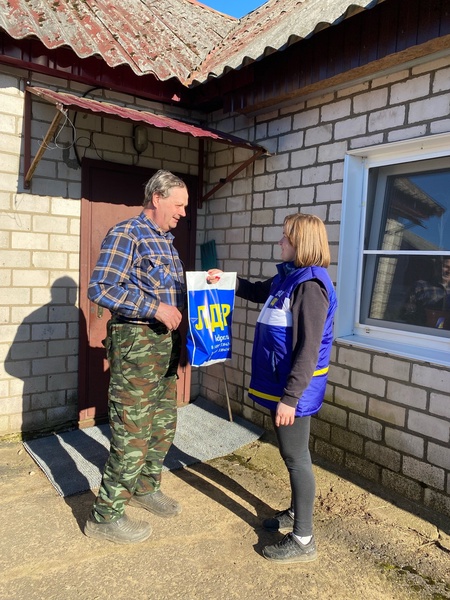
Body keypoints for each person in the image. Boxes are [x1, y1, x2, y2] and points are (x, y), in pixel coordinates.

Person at [208, 213, 337, 564]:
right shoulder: (288, 278)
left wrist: (290, 399)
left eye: (285, 238)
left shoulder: (310, 288)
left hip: (293, 391)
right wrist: (226, 280)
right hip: (283, 387)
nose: (279, 242)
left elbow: (309, 350)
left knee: (296, 459)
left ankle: (304, 539)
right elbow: (253, 291)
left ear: (302, 244)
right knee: (291, 455)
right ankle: (296, 515)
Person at [84, 169, 188, 544]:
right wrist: (153, 308)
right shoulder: (127, 234)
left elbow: (171, 292)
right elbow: (100, 287)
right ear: (157, 198)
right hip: (138, 346)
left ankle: (146, 488)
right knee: (133, 432)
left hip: (165, 349)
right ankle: (105, 516)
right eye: (179, 205)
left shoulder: (166, 242)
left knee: (162, 426)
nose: (183, 213)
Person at [402, 256, 450, 329]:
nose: (448, 271)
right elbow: (406, 315)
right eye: (446, 267)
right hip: (424, 333)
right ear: (437, 267)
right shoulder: (421, 287)